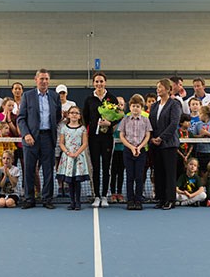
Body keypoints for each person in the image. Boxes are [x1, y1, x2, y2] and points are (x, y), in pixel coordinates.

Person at [17, 68, 62, 209]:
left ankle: (47, 199)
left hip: (48, 137)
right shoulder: (27, 96)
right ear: (36, 80)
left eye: (46, 79)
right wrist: (26, 134)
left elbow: (58, 116)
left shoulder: (54, 97)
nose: (44, 81)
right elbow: (21, 118)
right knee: (29, 169)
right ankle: (29, 198)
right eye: (41, 79)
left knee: (48, 170)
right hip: (31, 138)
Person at [82, 72, 118, 208]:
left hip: (107, 138)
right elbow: (85, 116)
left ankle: (104, 196)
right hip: (93, 139)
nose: (99, 84)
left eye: (101, 81)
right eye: (96, 81)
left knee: (106, 167)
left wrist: (110, 123)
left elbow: (118, 116)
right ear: (93, 83)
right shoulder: (89, 99)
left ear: (105, 82)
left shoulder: (111, 98)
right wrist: (88, 129)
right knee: (95, 167)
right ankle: (96, 196)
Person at [149, 78, 182, 210]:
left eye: (161, 87)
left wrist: (161, 138)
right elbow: (150, 123)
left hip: (169, 144)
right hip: (155, 145)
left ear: (168, 89)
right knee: (159, 173)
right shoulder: (155, 106)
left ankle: (170, 200)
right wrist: (152, 137)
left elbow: (174, 124)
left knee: (169, 173)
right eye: (157, 87)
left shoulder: (174, 104)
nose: (158, 89)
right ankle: (161, 198)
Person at [119, 95, 153, 211]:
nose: (135, 109)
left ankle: (138, 200)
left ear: (142, 108)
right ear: (130, 107)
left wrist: (139, 147)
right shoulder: (125, 119)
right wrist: (131, 147)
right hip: (128, 151)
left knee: (139, 176)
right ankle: (130, 200)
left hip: (141, 151)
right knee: (129, 176)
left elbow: (148, 135)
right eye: (133, 106)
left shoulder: (145, 120)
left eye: (138, 106)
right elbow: (122, 135)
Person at [58, 106, 90, 210]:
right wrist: (68, 152)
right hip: (67, 158)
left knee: (77, 181)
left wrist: (76, 153)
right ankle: (72, 202)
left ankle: (78, 202)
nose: (74, 115)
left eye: (76, 113)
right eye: (72, 113)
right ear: (68, 115)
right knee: (70, 181)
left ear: (80, 116)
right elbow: (61, 143)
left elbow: (85, 143)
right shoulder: (64, 128)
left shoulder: (82, 129)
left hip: (78, 157)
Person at [190, 106, 210, 174]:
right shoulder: (198, 124)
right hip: (200, 151)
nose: (199, 115)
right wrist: (200, 136)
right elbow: (193, 136)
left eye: (200, 113)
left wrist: (207, 133)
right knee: (201, 170)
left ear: (205, 115)